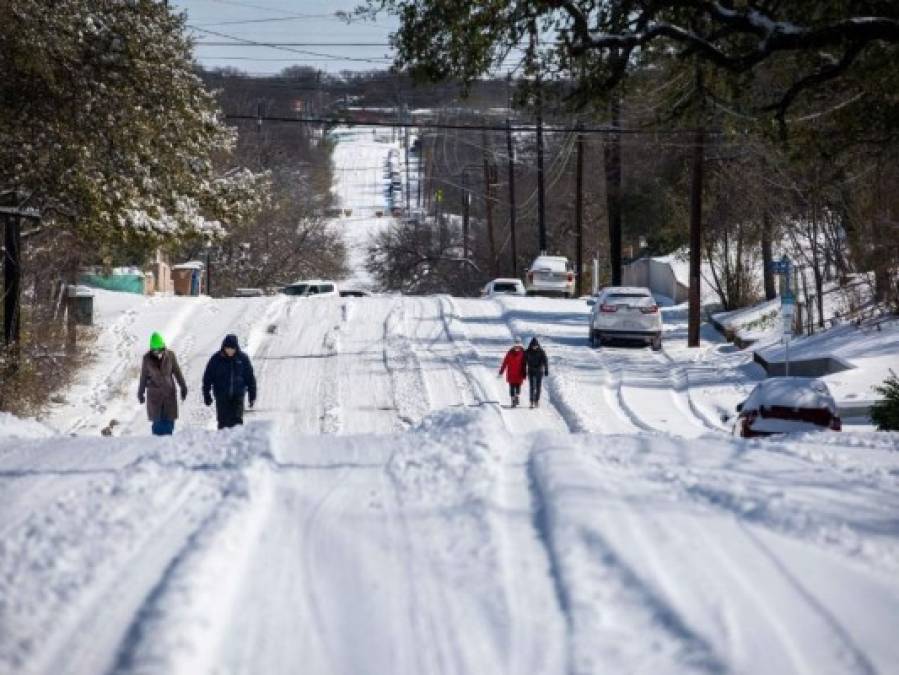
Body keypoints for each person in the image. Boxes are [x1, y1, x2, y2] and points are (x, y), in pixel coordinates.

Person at [202, 334, 257, 429]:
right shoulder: (216, 359)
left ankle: (236, 442)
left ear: (236, 348)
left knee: (237, 421)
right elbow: (207, 378)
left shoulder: (242, 359)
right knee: (223, 422)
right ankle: (222, 442)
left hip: (238, 395)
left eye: (232, 348)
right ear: (224, 347)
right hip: (221, 395)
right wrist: (207, 395)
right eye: (228, 348)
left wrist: (252, 395)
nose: (230, 351)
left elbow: (250, 378)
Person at [137, 332, 187, 436]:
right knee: (158, 425)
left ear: (163, 346)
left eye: (160, 349)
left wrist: (183, 386)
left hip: (169, 393)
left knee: (169, 424)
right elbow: (143, 377)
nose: (157, 352)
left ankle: (168, 449)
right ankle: (157, 448)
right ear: (151, 349)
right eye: (155, 350)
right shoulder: (146, 359)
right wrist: (140, 393)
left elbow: (177, 372)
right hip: (155, 396)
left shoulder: (170, 355)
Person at [498, 337, 527, 407]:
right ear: (513, 346)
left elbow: (526, 362)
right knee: (511, 387)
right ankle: (513, 400)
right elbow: (505, 362)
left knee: (518, 387)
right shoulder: (510, 353)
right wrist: (501, 372)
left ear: (520, 345)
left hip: (519, 373)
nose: (516, 347)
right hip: (511, 373)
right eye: (515, 345)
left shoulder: (523, 353)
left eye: (518, 345)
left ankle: (516, 396)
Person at [525, 337, 549, 408]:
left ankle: (537, 400)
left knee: (538, 387)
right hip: (531, 371)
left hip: (539, 371)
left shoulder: (541, 352)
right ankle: (531, 401)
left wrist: (546, 370)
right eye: (533, 346)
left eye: (535, 346)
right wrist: (523, 370)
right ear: (531, 345)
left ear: (538, 345)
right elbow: (523, 362)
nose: (534, 347)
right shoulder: (527, 352)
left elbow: (545, 361)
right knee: (532, 387)